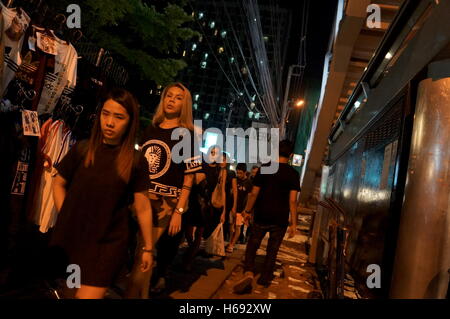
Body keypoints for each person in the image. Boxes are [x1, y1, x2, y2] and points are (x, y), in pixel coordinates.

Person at [50, 88, 153, 299]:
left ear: (129, 122)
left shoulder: (135, 161)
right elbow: (58, 183)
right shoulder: (82, 149)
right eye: (105, 114)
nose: (110, 122)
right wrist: (65, 214)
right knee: (70, 294)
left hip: (108, 245)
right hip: (74, 242)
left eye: (118, 117)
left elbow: (142, 206)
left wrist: (149, 248)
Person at [126, 82, 201, 298]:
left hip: (164, 206)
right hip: (140, 200)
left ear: (184, 104)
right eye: (169, 95)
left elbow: (189, 177)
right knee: (139, 256)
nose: (172, 100)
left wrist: (178, 211)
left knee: (143, 254)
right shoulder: (151, 128)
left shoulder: (187, 134)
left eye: (178, 98)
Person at [233, 140, 300, 293]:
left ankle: (249, 272)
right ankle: (264, 279)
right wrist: (293, 224)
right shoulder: (293, 174)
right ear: (290, 155)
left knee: (253, 245)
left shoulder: (265, 169)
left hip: (262, 215)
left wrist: (247, 211)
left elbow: (254, 193)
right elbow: (292, 201)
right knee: (272, 250)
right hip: (280, 219)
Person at [226, 163, 252, 253]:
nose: (238, 175)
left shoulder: (248, 183)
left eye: (240, 173)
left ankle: (232, 245)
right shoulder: (235, 180)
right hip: (232, 207)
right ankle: (229, 242)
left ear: (245, 172)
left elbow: (249, 198)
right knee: (230, 227)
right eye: (237, 173)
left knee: (238, 228)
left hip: (241, 209)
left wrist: (246, 210)